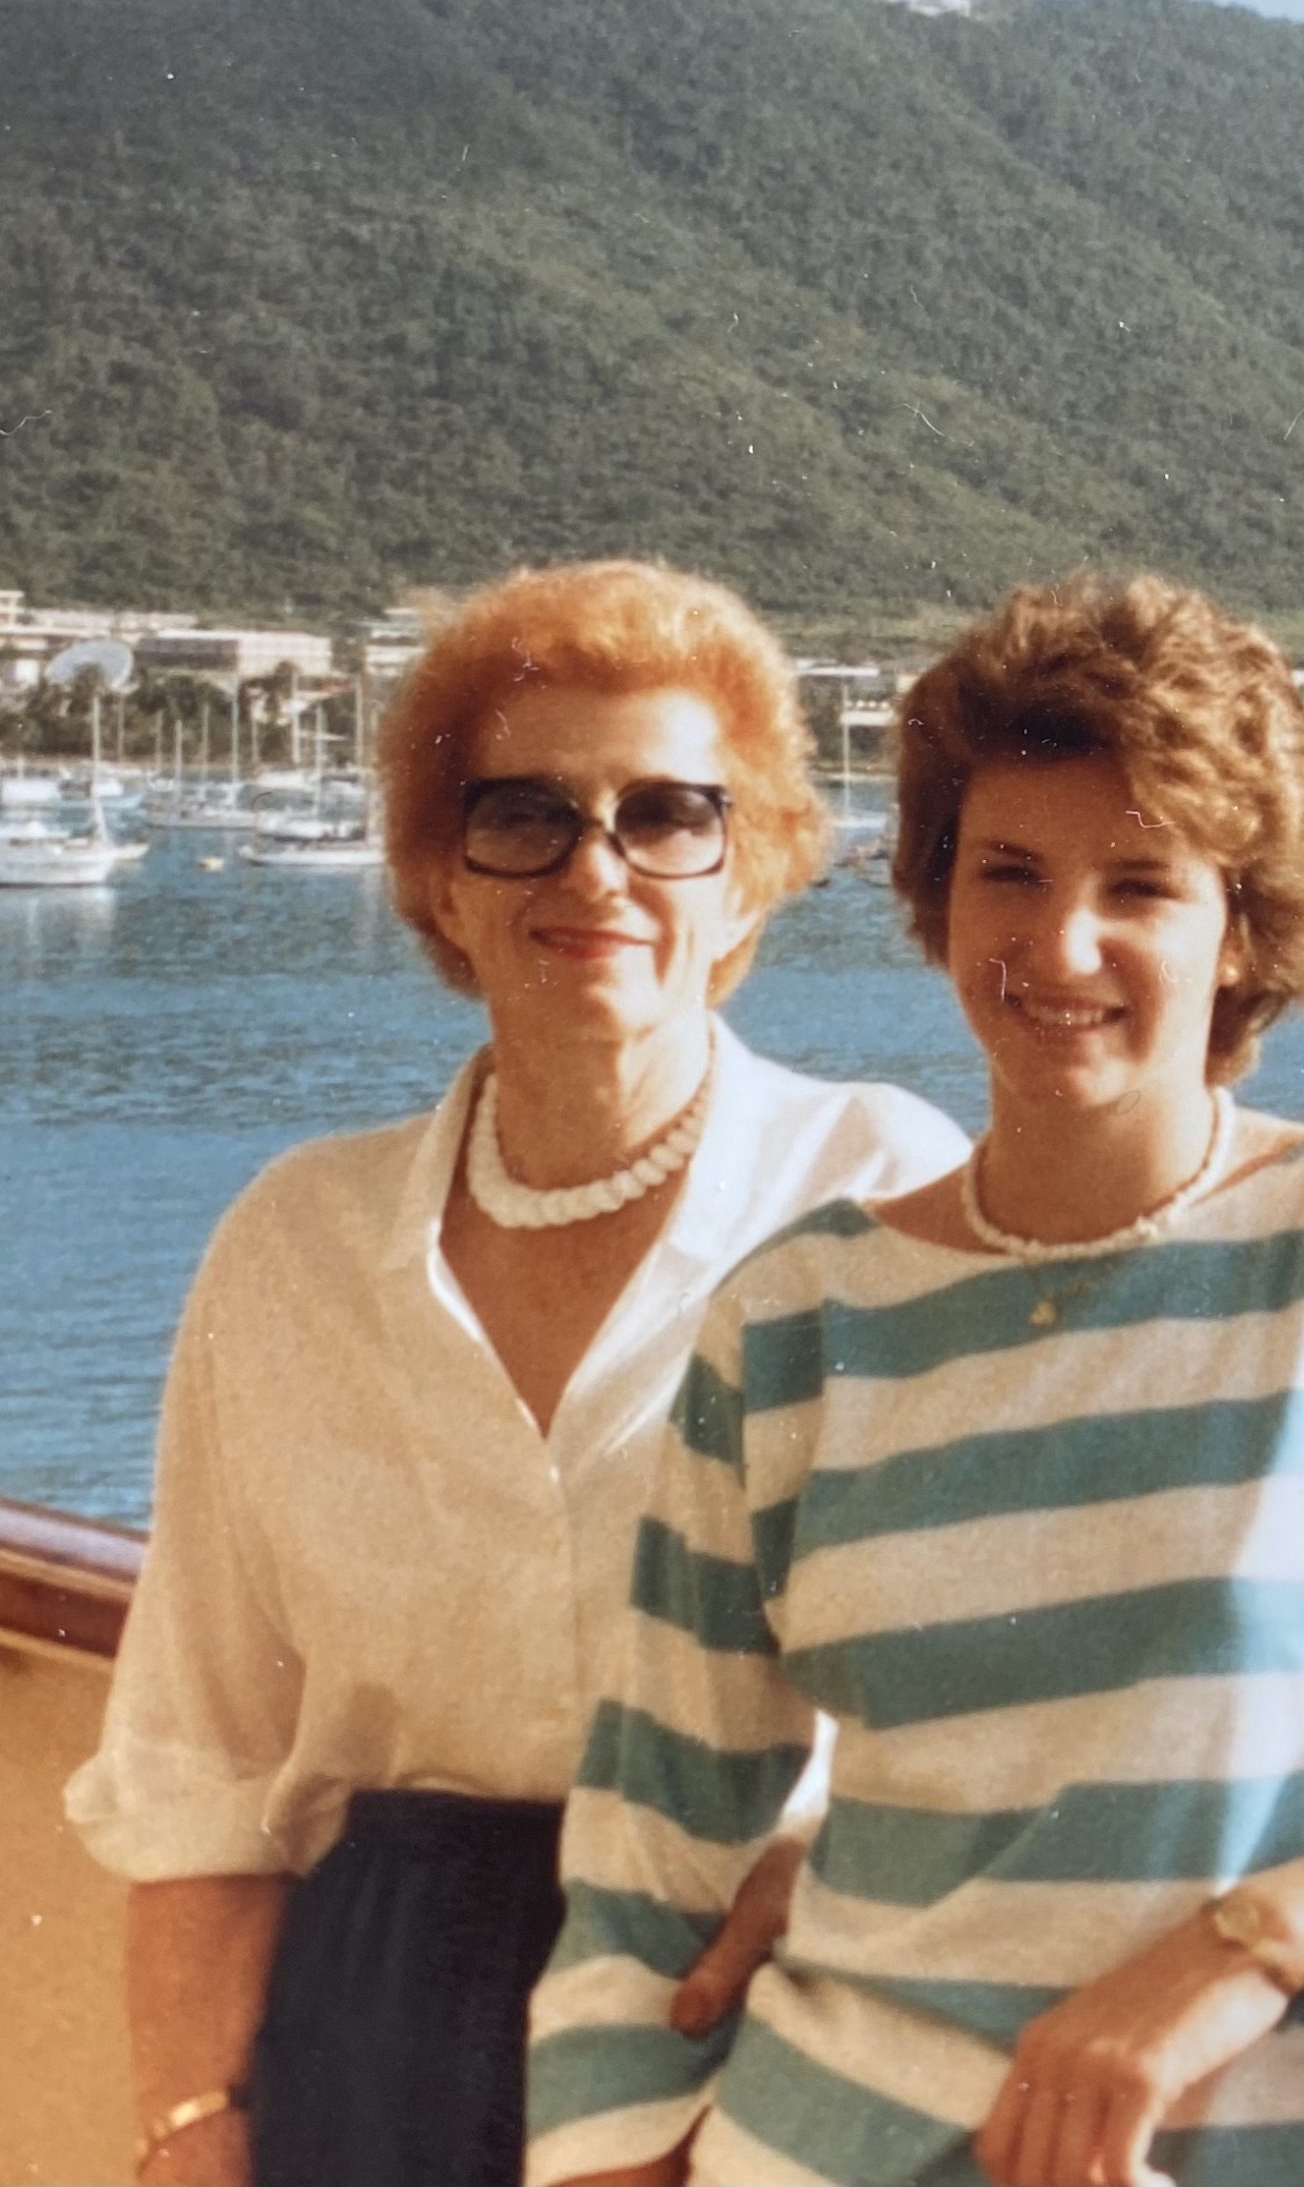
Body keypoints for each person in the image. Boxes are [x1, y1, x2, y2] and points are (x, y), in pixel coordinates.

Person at [527, 575, 1304, 2187]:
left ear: (1241, 931)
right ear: (936, 898)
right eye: (1009, 871)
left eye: (1141, 884)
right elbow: (646, 1866)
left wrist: (1242, 1949)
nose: (1062, 941)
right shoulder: (794, 1321)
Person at [66, 561, 966, 2187]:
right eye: (525, 814)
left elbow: (1016, 1685)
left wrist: (842, 1868)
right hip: (383, 2038)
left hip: (763, 2026)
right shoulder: (295, 1246)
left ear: (748, 875)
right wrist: (192, 2133)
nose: (598, 867)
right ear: (441, 879)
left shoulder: (882, 1188)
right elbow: (203, 1755)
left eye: (669, 814)